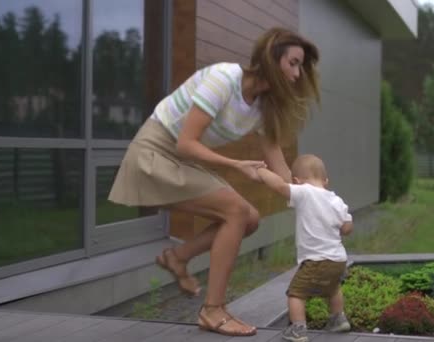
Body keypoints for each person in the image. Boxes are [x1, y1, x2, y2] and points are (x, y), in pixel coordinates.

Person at [108, 27, 321, 337]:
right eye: (293, 63)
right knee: (236, 211)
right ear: (271, 59)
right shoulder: (224, 79)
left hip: (180, 159)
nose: (298, 74)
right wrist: (236, 165)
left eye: (302, 66)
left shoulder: (263, 107)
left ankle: (178, 257)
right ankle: (212, 310)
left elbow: (278, 165)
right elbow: (185, 143)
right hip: (153, 154)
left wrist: (310, 197)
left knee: (250, 218)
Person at [256, 154, 353, 342]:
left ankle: (298, 330)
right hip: (339, 260)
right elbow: (347, 228)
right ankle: (338, 319)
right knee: (333, 288)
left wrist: (261, 171)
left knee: (296, 294)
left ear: (297, 181)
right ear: (326, 180)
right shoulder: (337, 200)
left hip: (315, 260)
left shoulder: (304, 192)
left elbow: (279, 186)